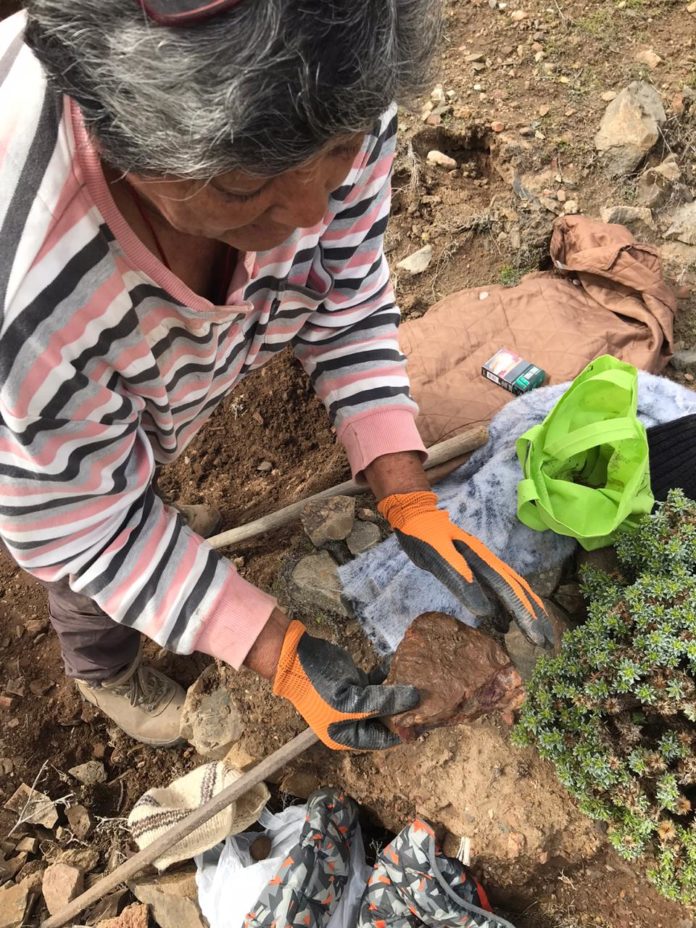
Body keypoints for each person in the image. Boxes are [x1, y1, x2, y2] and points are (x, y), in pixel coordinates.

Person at [0, 0, 552, 753]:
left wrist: (407, 492)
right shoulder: (27, 303)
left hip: (135, 387)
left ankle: (156, 513)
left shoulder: (336, 81)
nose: (310, 211)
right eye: (240, 188)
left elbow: (344, 288)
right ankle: (103, 671)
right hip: (47, 451)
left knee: (134, 477)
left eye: (341, 154)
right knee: (89, 580)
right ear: (114, 134)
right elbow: (83, 528)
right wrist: (282, 657)